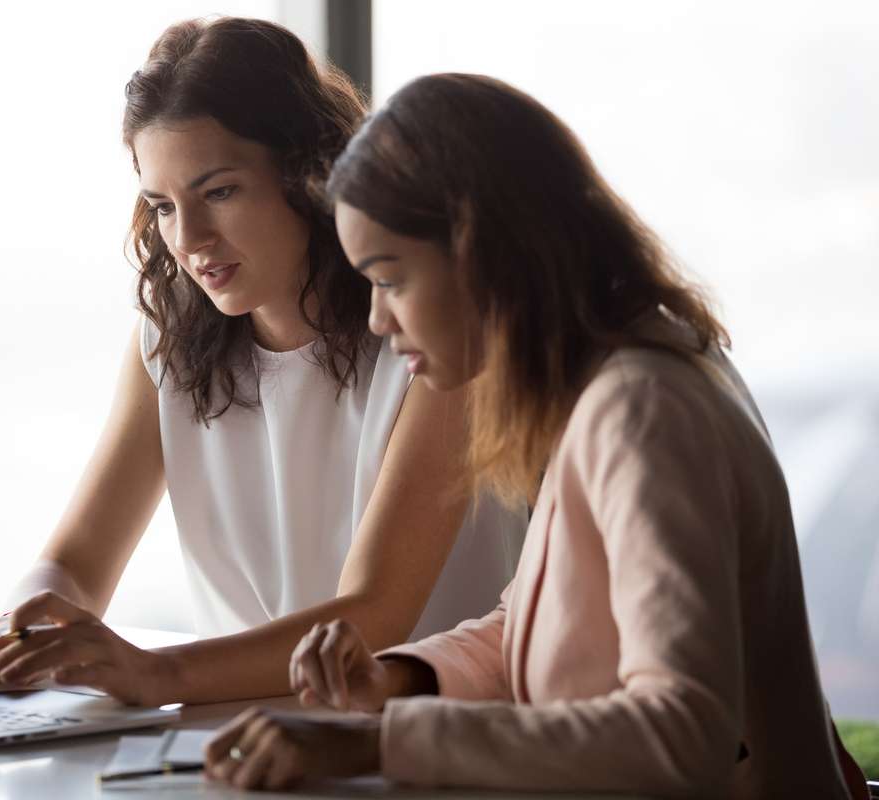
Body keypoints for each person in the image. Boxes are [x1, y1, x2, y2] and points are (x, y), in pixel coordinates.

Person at [204, 74, 869, 799]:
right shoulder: (609, 381)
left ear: (484, 255)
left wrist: (378, 743)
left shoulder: (643, 412)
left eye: (390, 279)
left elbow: (684, 732)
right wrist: (393, 681)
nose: (377, 320)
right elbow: (528, 618)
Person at [0, 24, 524, 707]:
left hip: (413, 742)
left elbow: (373, 618)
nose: (189, 240)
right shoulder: (169, 340)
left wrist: (154, 674)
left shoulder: (429, 334)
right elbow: (76, 564)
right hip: (234, 739)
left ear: (308, 175)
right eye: (162, 206)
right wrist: (11, 637)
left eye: (219, 192)